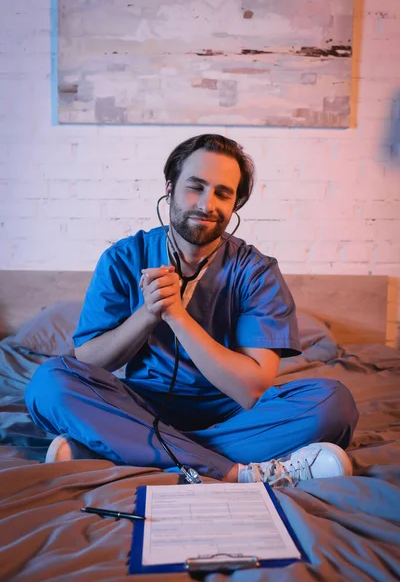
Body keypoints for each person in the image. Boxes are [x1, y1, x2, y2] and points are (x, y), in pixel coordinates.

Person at [25, 134, 359, 486]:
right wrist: (148, 314)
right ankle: (232, 471)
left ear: (236, 204)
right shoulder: (122, 258)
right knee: (49, 383)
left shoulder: (256, 271)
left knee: (334, 403)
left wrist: (178, 317)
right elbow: (89, 361)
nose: (206, 204)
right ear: (169, 189)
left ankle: (121, 447)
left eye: (222, 193)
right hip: (137, 406)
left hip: (232, 413)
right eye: (195, 187)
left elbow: (251, 389)